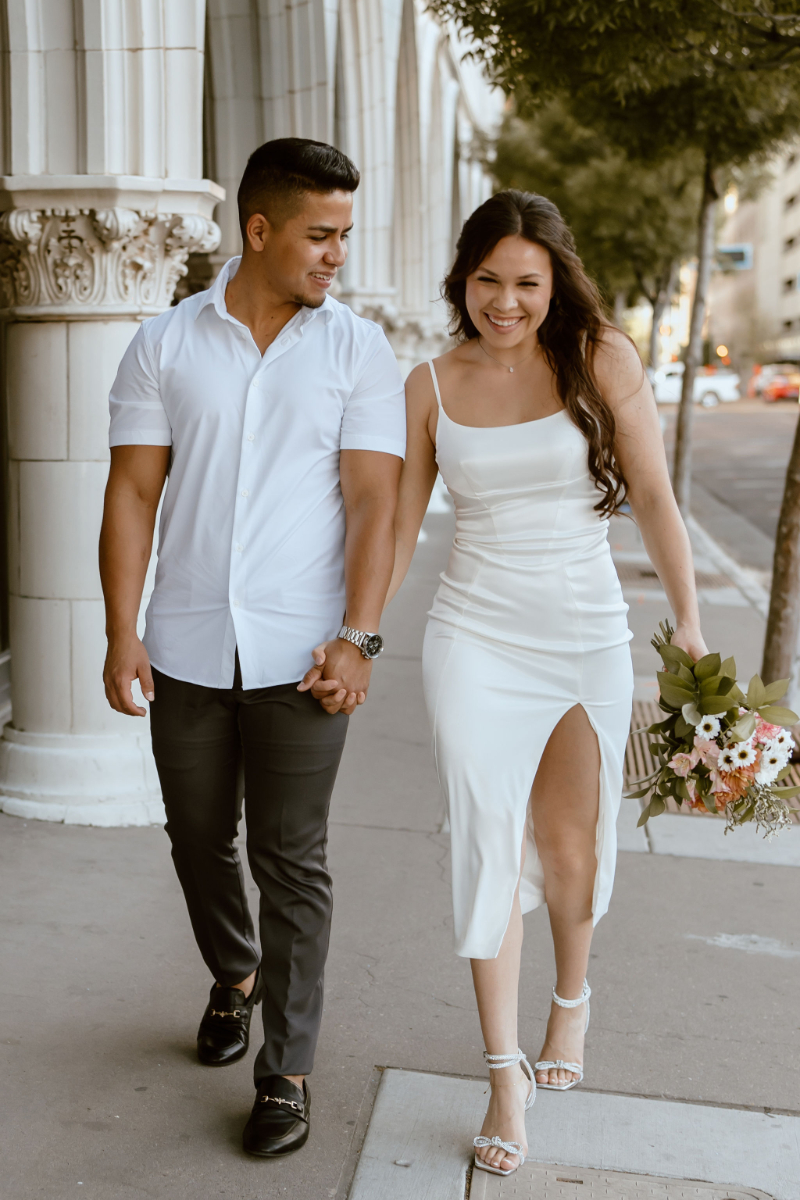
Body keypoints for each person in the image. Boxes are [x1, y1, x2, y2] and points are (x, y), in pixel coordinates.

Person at [387, 190, 707, 1177]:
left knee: (571, 847)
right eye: (487, 280)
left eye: (525, 283)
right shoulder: (429, 383)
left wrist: (688, 626)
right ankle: (502, 1074)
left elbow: (650, 494)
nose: (504, 303)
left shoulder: (601, 359)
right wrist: (355, 632)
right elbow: (397, 526)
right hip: (470, 636)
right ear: (463, 278)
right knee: (484, 840)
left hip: (580, 633)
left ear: (554, 281)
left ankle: (570, 1001)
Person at [99, 138, 405, 1159]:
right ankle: (235, 975)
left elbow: (373, 502)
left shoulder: (358, 351)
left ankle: (288, 1070)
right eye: (320, 235)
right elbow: (133, 491)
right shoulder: (163, 343)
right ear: (259, 229)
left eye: (345, 236)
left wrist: (359, 636)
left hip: (304, 656)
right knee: (196, 840)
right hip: (185, 644)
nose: (335, 256)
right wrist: (120, 629)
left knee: (293, 860)